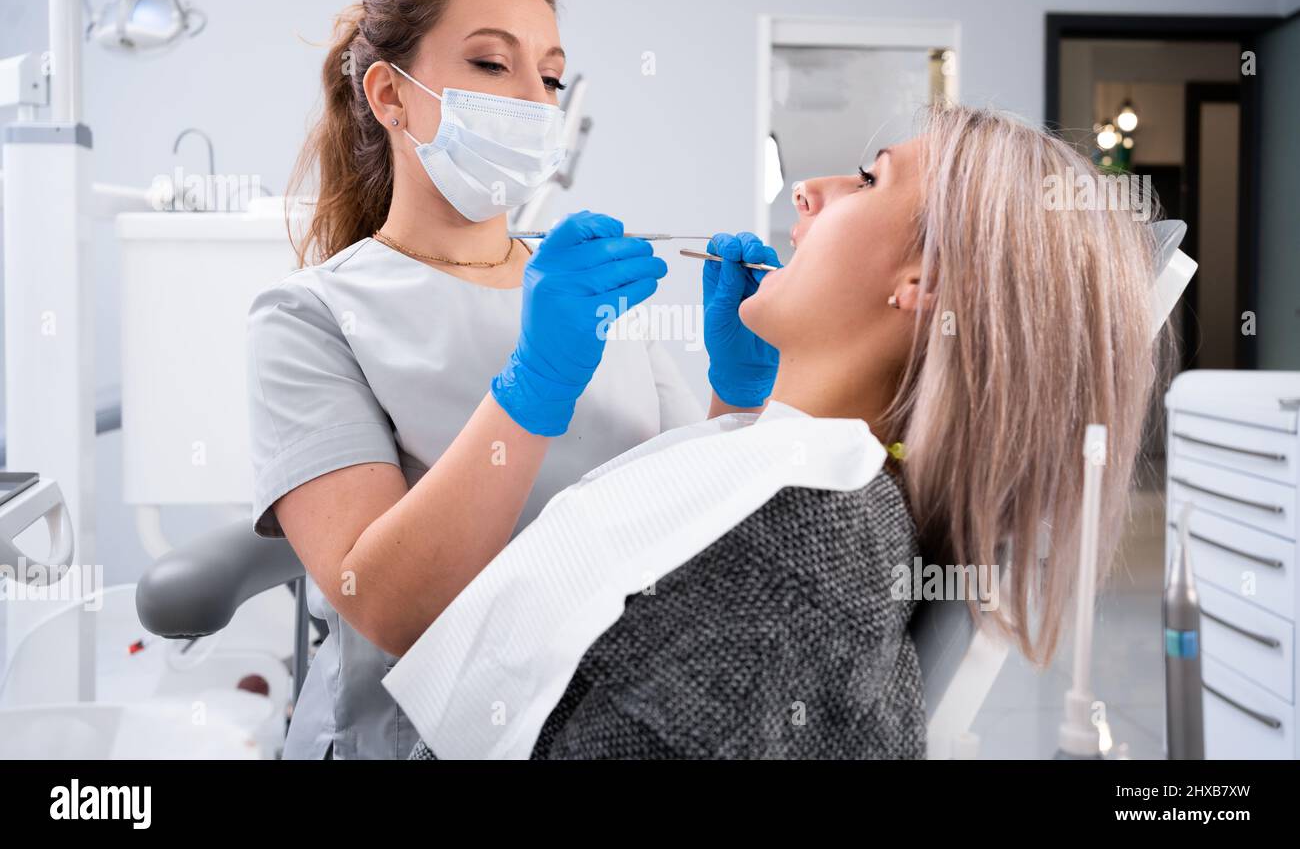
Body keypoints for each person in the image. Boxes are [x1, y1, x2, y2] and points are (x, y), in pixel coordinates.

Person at [404, 105, 1172, 759]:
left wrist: (538, 379)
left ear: (927, 285)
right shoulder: (824, 505)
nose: (805, 192)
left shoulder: (804, 551)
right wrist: (739, 411)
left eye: (869, 179)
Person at [246, 0, 779, 759]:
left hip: (605, 729)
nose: (536, 99)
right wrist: (536, 384)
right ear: (390, 95)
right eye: (493, 66)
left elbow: (688, 531)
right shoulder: (309, 316)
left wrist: (738, 400)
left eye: (553, 75)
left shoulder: (579, 286)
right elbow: (385, 603)